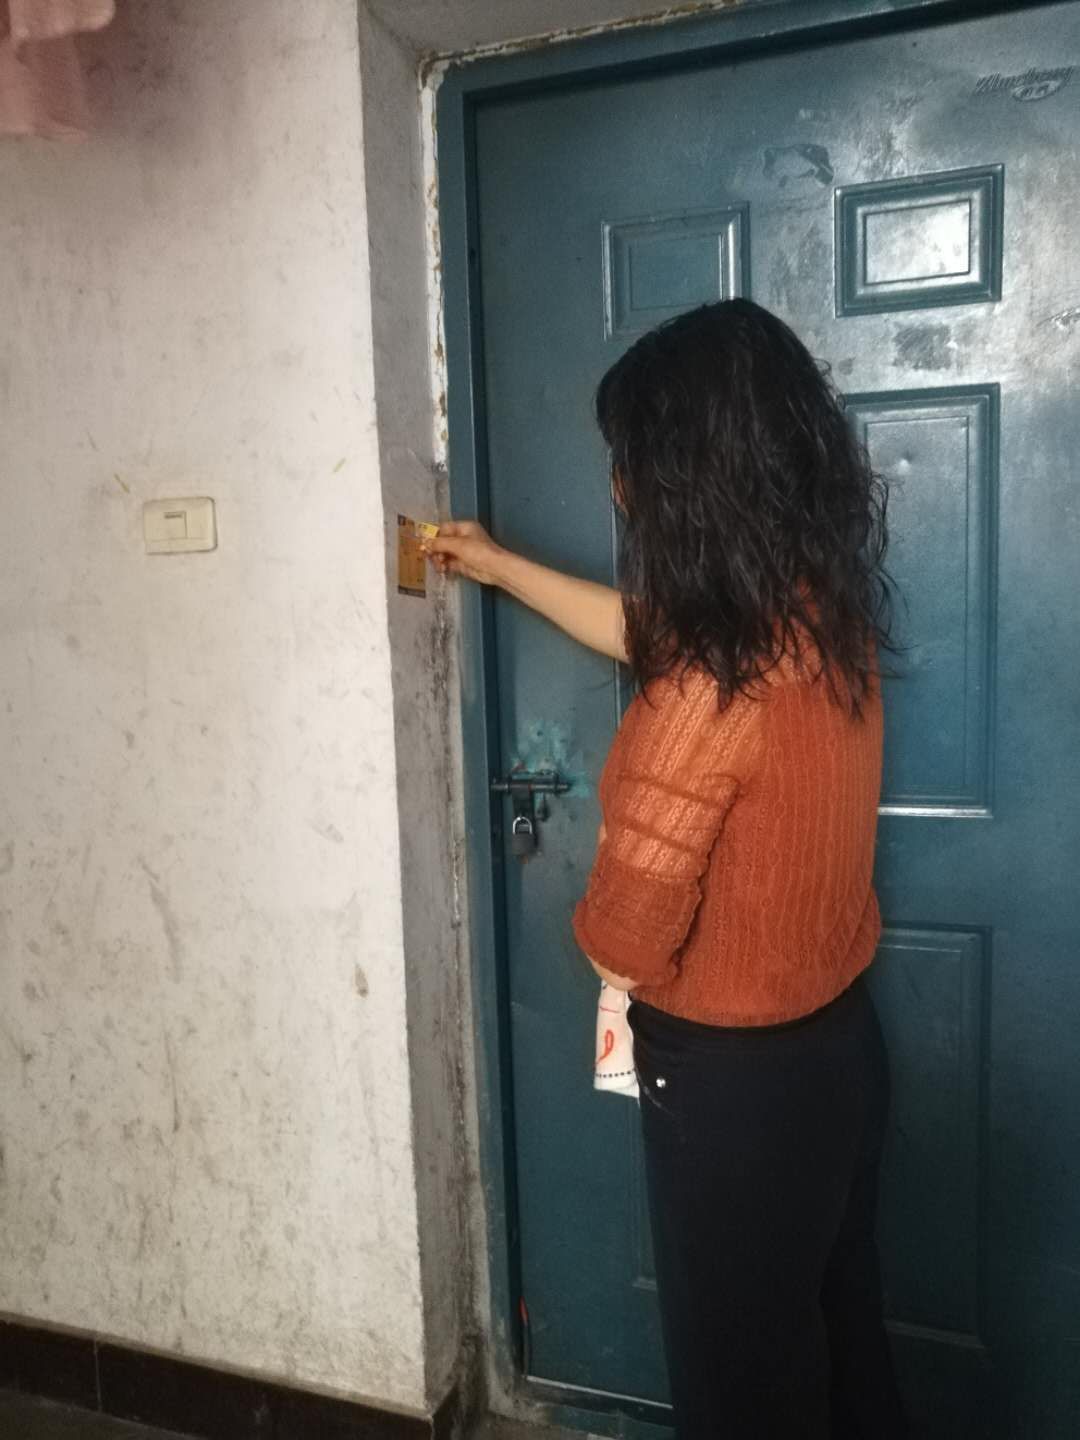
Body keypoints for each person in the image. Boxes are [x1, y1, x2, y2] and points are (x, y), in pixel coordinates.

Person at [423, 298, 907, 1439]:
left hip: (735, 1097)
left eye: (630, 460)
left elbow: (624, 945)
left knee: (745, 1392)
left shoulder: (702, 696)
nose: (617, 488)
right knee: (840, 1344)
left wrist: (604, 874)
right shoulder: (816, 621)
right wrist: (495, 565)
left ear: (687, 480)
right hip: (840, 1057)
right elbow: (654, 633)